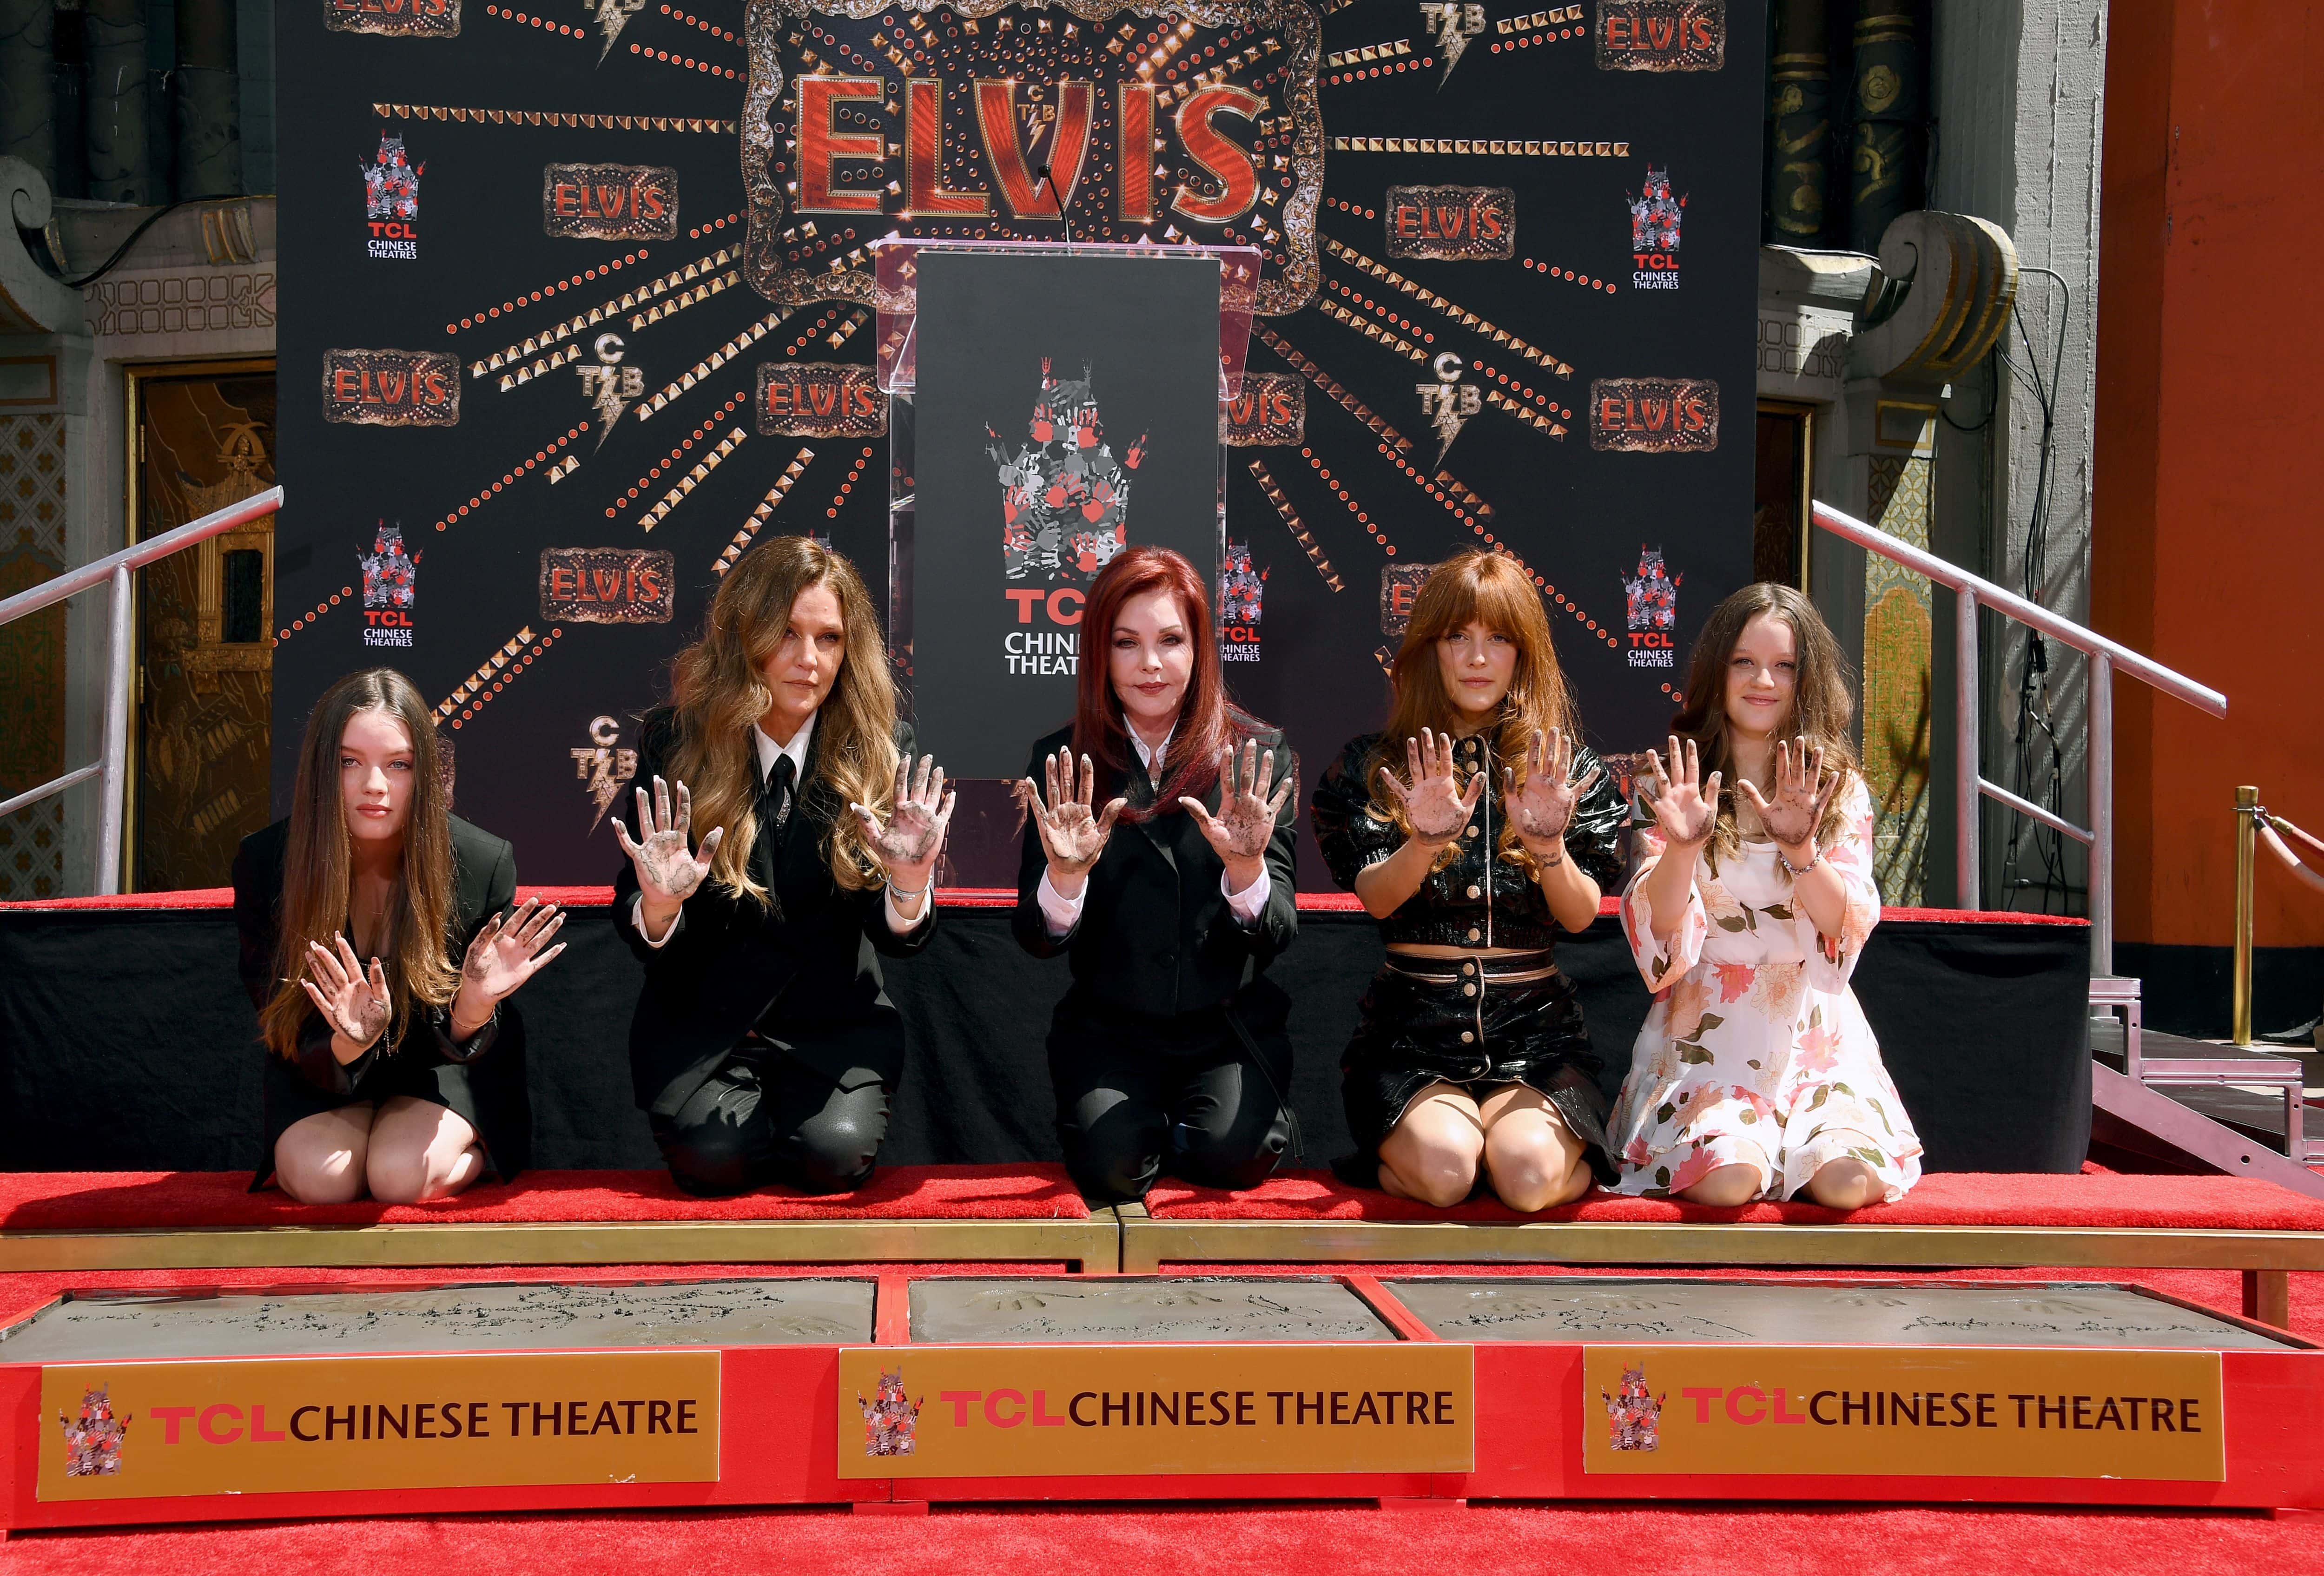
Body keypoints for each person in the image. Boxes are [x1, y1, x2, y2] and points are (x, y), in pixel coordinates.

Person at [613, 536, 954, 1196]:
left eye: (829, 638)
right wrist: (659, 902)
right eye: (788, 634)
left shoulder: (883, 749)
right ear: (747, 636)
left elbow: (896, 937)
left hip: (833, 1028)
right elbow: (640, 918)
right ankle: (749, 1128)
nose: (808, 660)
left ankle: (796, 1125)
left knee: (833, 1158)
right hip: (706, 1028)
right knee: (715, 1160)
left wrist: (909, 885)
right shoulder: (675, 740)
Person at [1312, 550, 1628, 1211]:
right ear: (1430, 648)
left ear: (1525, 653)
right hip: (1412, 1032)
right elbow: (1376, 897)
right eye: (1459, 636)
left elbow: (1578, 915)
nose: (1478, 657)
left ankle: (1522, 1155)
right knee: (1449, 1168)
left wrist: (1546, 846)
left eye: (1499, 638)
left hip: (1535, 1036)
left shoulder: (1569, 770)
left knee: (1528, 1175)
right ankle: (1431, 1154)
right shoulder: (1374, 765)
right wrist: (1425, 841)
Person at [1610, 582, 1923, 1208]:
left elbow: (1844, 924)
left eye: (1784, 666)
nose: (1764, 681)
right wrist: (1682, 846)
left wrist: (1802, 849)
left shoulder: (1840, 788)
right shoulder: (1671, 780)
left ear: (1806, 680)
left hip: (1813, 1032)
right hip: (1709, 1032)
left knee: (1846, 1182)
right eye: (1745, 662)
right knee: (1729, 1179)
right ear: (1717, 669)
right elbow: (1661, 933)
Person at [1013, 545, 1299, 1204]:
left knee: (1233, 1155)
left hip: (1225, 1027)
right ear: (1099, 655)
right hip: (1110, 1028)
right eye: (1127, 642)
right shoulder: (1061, 759)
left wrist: (1247, 868)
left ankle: (1218, 1120)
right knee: (1112, 1172)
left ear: (1199, 648)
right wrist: (1064, 876)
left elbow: (1278, 930)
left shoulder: (1254, 754)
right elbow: (1035, 936)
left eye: (1171, 640)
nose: (1150, 664)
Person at [233, 668, 561, 1203]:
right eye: (349, 762)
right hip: (326, 1068)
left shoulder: (480, 861)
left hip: (439, 1068)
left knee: (397, 1178)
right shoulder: (267, 862)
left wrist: (475, 1005)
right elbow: (278, 1013)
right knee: (324, 1182)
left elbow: (471, 1038)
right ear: (321, 768)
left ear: (423, 772)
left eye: (398, 765)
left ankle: (478, 1150)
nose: (375, 786)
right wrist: (348, 1039)